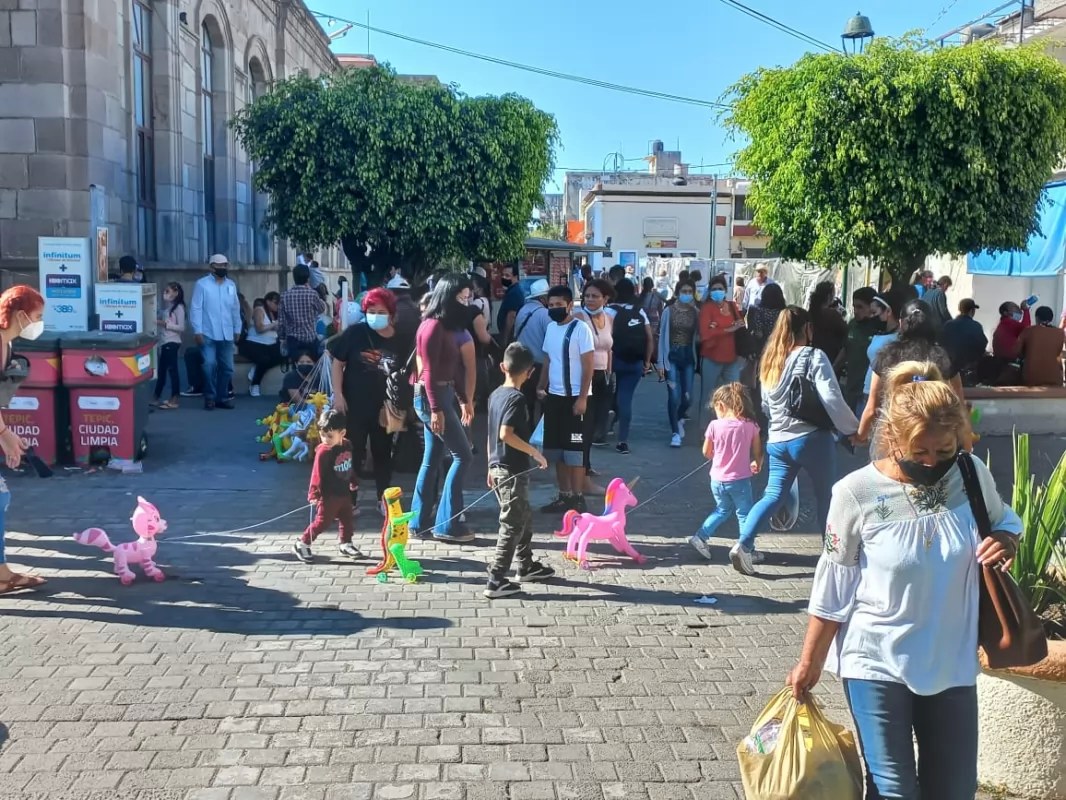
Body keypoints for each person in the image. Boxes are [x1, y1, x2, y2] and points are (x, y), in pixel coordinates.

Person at [787, 360, 1022, 800]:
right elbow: (833, 589)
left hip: (951, 660)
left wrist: (1006, 540)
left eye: (943, 451)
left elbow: (1005, 520)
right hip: (875, 660)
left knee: (953, 790)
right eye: (920, 453)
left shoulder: (970, 474)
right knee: (895, 790)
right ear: (892, 438)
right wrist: (810, 662)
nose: (933, 462)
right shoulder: (854, 494)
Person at [733, 306, 859, 575]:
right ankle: (832, 555)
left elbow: (765, 405)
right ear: (807, 329)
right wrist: (852, 429)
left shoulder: (770, 360)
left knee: (772, 495)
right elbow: (831, 398)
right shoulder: (814, 356)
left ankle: (743, 545)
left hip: (778, 440)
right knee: (827, 496)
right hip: (811, 437)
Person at [484, 343, 553, 599]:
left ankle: (526, 565)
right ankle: (496, 580)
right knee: (511, 524)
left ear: (503, 367)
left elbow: (491, 435)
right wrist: (534, 452)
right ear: (530, 372)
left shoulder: (495, 395)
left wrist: (489, 466)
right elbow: (505, 434)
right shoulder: (517, 398)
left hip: (498, 467)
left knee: (523, 516)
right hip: (512, 470)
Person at [411, 275, 476, 543]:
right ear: (449, 297)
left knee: (433, 458)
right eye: (462, 296)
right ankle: (447, 524)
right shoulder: (432, 326)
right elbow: (427, 372)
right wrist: (437, 409)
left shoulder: (447, 326)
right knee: (463, 456)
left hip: (442, 394)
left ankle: (418, 522)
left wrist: (463, 398)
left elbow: (452, 369)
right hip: (431, 397)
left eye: (468, 296)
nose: (467, 301)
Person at [329, 288, 402, 514]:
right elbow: (337, 363)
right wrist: (338, 395)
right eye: (371, 311)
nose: (376, 315)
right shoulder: (355, 333)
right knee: (352, 453)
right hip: (355, 405)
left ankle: (383, 498)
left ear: (390, 313)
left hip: (387, 407)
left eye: (381, 311)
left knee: (384, 453)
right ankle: (349, 500)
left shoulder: (401, 338)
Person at [858, 299, 964, 444]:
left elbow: (872, 407)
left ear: (901, 323)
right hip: (935, 437)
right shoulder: (944, 357)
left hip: (895, 435)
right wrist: (966, 444)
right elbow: (959, 406)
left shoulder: (887, 355)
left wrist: (860, 436)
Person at [0, 286, 47, 595]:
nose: (40, 323)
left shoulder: (5, 343)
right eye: (38, 317)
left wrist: (8, 439)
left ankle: (2, 573)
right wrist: (6, 437)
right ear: (20, 315)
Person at [536, 286, 595, 514]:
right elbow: (548, 360)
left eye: (559, 305)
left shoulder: (581, 329)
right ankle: (564, 495)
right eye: (550, 305)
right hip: (555, 398)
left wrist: (582, 398)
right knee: (556, 450)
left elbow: (588, 365)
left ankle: (578, 498)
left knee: (575, 450)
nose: (554, 309)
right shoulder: (551, 328)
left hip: (575, 399)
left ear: (570, 305)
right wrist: (541, 385)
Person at [689, 382, 763, 561]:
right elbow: (758, 452)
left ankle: (701, 536)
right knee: (744, 513)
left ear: (721, 405)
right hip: (740, 480)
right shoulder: (751, 426)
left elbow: (707, 452)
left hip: (717, 479)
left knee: (722, 509)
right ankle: (747, 549)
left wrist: (718, 454)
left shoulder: (714, 425)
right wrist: (756, 463)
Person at [291, 409, 362, 563]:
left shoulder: (347, 445)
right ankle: (302, 543)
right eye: (322, 435)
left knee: (347, 519)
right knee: (322, 521)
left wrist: (353, 480)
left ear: (342, 433)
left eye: (330, 436)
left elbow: (348, 465)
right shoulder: (323, 452)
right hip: (328, 495)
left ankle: (346, 543)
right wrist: (314, 493)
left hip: (344, 492)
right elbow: (316, 474)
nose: (325, 439)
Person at [190, 254, 241, 410]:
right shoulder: (202, 285)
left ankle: (222, 397)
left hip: (227, 333)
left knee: (227, 368)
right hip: (208, 332)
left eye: (225, 265)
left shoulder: (231, 285)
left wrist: (237, 328)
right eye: (219, 265)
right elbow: (196, 308)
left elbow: (235, 308)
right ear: (211, 267)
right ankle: (210, 396)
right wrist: (197, 330)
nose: (222, 268)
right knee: (209, 365)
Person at [610, 279, 654, 455]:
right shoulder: (639, 311)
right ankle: (622, 440)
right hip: (635, 362)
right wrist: (647, 361)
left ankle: (604, 427)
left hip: (613, 361)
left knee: (612, 394)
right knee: (625, 397)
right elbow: (649, 337)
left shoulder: (609, 311)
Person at [572, 279, 615, 452]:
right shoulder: (578, 318)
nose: (589, 299)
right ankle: (582, 462)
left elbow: (610, 348)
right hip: (584, 374)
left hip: (603, 374)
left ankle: (587, 460)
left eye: (595, 296)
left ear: (605, 299)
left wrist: (610, 372)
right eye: (587, 296)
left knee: (600, 416)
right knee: (585, 419)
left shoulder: (609, 319)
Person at [656, 277, 699, 448]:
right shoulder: (669, 311)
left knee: (688, 397)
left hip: (688, 357)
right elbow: (661, 337)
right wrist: (660, 362)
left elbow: (700, 334)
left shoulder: (695, 312)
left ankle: (680, 416)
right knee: (673, 396)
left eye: (690, 292)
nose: (687, 295)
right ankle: (675, 432)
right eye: (684, 292)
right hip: (671, 356)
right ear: (677, 293)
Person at [699, 275, 746, 414]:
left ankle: (732, 427)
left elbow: (739, 324)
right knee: (708, 396)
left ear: (725, 290)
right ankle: (705, 431)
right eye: (714, 289)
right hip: (711, 357)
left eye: (720, 288)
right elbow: (705, 334)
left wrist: (737, 325)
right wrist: (727, 330)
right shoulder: (707, 309)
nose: (717, 291)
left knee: (734, 394)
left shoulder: (732, 306)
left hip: (732, 358)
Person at [856, 290, 905, 420]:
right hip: (867, 391)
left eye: (874, 313)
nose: (871, 317)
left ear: (888, 311)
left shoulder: (897, 339)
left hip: (881, 397)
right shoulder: (880, 334)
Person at [835, 287, 883, 415]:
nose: (856, 311)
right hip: (850, 387)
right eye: (854, 306)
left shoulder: (879, 329)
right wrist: (834, 367)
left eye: (860, 307)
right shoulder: (852, 325)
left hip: (868, 391)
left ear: (871, 307)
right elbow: (846, 349)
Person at [514, 278, 552, 420]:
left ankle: (527, 431)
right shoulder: (545, 314)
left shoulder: (522, 311)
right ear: (543, 298)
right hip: (540, 366)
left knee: (527, 402)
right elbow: (550, 342)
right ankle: (541, 434)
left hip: (523, 364)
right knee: (542, 401)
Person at [278, 264, 326, 362]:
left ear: (294, 278)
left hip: (293, 339)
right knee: (314, 365)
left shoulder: (284, 296)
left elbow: (281, 321)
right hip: (310, 338)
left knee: (296, 366)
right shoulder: (312, 294)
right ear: (308, 278)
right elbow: (322, 309)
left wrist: (282, 338)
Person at [239, 292, 282, 398]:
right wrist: (274, 324)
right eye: (276, 303)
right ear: (268, 301)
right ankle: (255, 385)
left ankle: (256, 368)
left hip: (270, 343)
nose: (278, 306)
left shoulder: (274, 313)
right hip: (255, 343)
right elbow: (259, 328)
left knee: (282, 355)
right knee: (264, 359)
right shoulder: (260, 309)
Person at [152, 282, 185, 409]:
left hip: (172, 342)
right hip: (165, 342)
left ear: (175, 293)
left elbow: (181, 327)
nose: (165, 294)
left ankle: (174, 398)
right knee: (162, 371)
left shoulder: (179, 308)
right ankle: (156, 396)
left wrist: (166, 324)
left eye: (168, 291)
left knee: (172, 370)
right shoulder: (168, 307)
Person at [941, 299, 988, 385]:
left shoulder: (948, 324)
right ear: (972, 311)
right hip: (969, 366)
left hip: (951, 366)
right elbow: (982, 343)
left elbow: (942, 342)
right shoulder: (975, 325)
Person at [1017, 305, 1066, 386]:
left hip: (1031, 378)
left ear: (1037, 318)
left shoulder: (1028, 331)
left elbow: (1017, 351)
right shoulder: (1060, 333)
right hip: (1054, 378)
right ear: (1051, 318)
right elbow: (1058, 353)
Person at [745, 282, 786, 360]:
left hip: (763, 350)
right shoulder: (784, 313)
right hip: (780, 349)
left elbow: (758, 333)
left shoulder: (758, 311)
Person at [808, 281, 848, 363]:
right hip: (829, 356)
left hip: (813, 354)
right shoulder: (832, 314)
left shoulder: (810, 312)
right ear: (829, 296)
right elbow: (845, 331)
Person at [496, 264, 524, 345]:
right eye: (503, 275)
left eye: (507, 275)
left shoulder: (514, 292)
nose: (504, 278)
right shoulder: (512, 290)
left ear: (515, 277)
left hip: (510, 337)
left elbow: (511, 316)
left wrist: (505, 337)